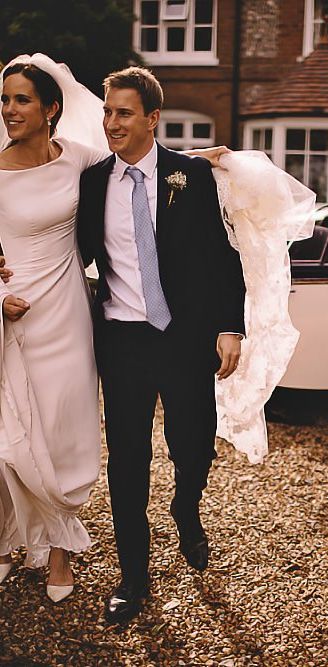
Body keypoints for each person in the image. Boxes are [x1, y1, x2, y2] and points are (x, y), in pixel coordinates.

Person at [75, 67, 246, 624]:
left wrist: (228, 326)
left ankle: (186, 509)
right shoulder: (92, 180)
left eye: (123, 113)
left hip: (184, 338)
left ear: (151, 118)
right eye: (106, 112)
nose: (111, 123)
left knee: (192, 446)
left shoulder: (191, 177)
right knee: (127, 461)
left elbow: (224, 257)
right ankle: (134, 575)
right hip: (122, 339)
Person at [0, 57, 110, 603]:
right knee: (7, 437)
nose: (9, 110)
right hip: (9, 317)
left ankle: (60, 551)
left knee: (64, 429)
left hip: (66, 316)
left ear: (51, 110)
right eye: (5, 99)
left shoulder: (79, 161)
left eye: (22, 100)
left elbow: (139, 164)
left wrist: (204, 160)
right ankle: (6, 538)